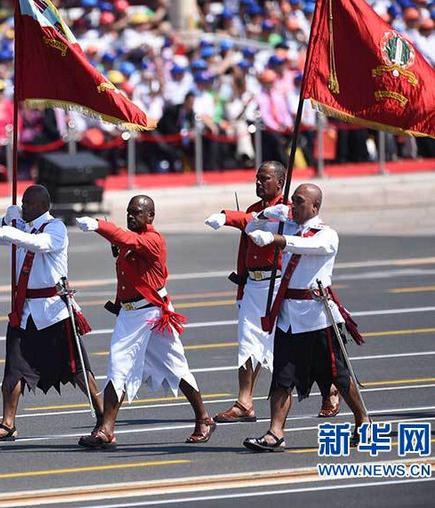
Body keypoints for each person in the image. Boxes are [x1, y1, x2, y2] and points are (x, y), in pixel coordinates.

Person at [74, 196, 215, 449]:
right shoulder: (132, 240)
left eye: (137, 213)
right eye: (128, 212)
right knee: (118, 365)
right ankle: (107, 430)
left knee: (176, 366)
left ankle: (204, 418)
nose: (131, 216)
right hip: (131, 315)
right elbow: (126, 255)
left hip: (153, 313)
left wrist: (99, 226)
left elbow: (129, 240)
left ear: (150, 216)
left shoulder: (153, 239)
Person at [205, 163, 341, 421]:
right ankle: (244, 402)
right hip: (254, 287)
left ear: (280, 182)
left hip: (279, 285)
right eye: (256, 178)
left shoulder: (289, 212)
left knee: (301, 345)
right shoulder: (254, 210)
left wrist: (227, 216)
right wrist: (242, 285)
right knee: (248, 343)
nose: (258, 183)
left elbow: (253, 223)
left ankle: (330, 390)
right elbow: (245, 247)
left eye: (264, 178)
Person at [242, 184, 368, 452]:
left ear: (315, 207)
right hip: (289, 317)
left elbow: (306, 246)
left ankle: (362, 419)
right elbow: (250, 231)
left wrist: (277, 240)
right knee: (282, 377)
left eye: (299, 202)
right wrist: (264, 216)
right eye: (292, 202)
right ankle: (275, 433)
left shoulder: (327, 235)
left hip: (318, 318)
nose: (293, 206)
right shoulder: (285, 226)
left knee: (339, 377)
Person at [0, 184, 104, 441]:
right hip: (23, 311)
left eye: (27, 204)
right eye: (22, 203)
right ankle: (8, 423)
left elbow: (40, 244)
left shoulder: (55, 228)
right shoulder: (21, 225)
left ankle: (104, 418)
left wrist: (10, 230)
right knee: (13, 368)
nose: (23, 207)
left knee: (77, 369)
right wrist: (5, 220)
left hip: (53, 311)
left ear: (41, 206)